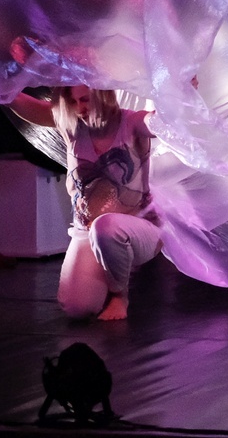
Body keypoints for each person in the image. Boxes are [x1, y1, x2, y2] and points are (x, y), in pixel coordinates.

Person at [10, 86, 162, 319]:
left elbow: (156, 123)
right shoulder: (72, 127)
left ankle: (119, 294)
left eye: (85, 100)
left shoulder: (131, 122)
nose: (79, 108)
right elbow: (27, 106)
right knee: (77, 308)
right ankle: (107, 268)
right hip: (88, 231)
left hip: (138, 228)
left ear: (103, 95)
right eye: (72, 102)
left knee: (106, 227)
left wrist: (178, 93)